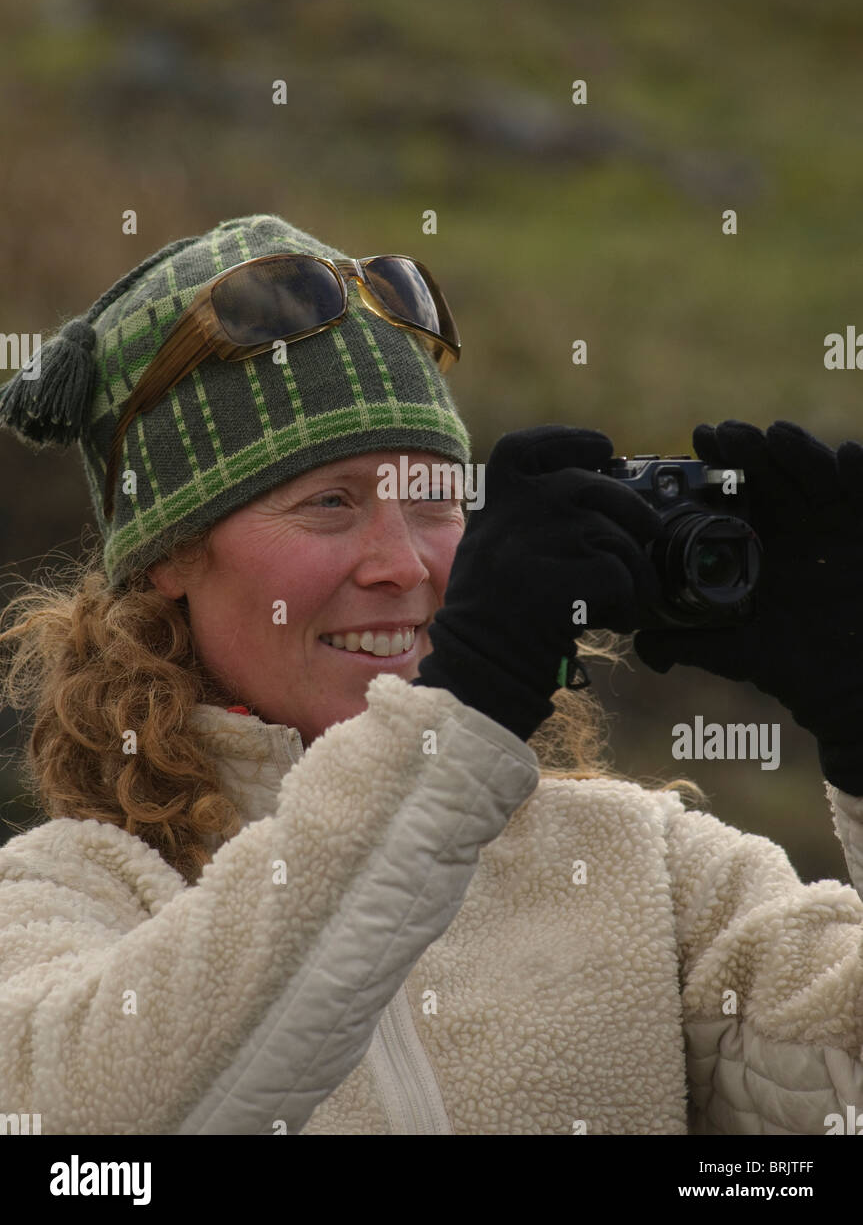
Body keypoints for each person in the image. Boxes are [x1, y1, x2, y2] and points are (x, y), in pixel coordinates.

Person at [0, 212, 861, 1137]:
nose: (404, 565)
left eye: (435, 503)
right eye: (330, 503)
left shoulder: (648, 871)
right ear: (169, 558)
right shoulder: (61, 900)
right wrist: (456, 721)